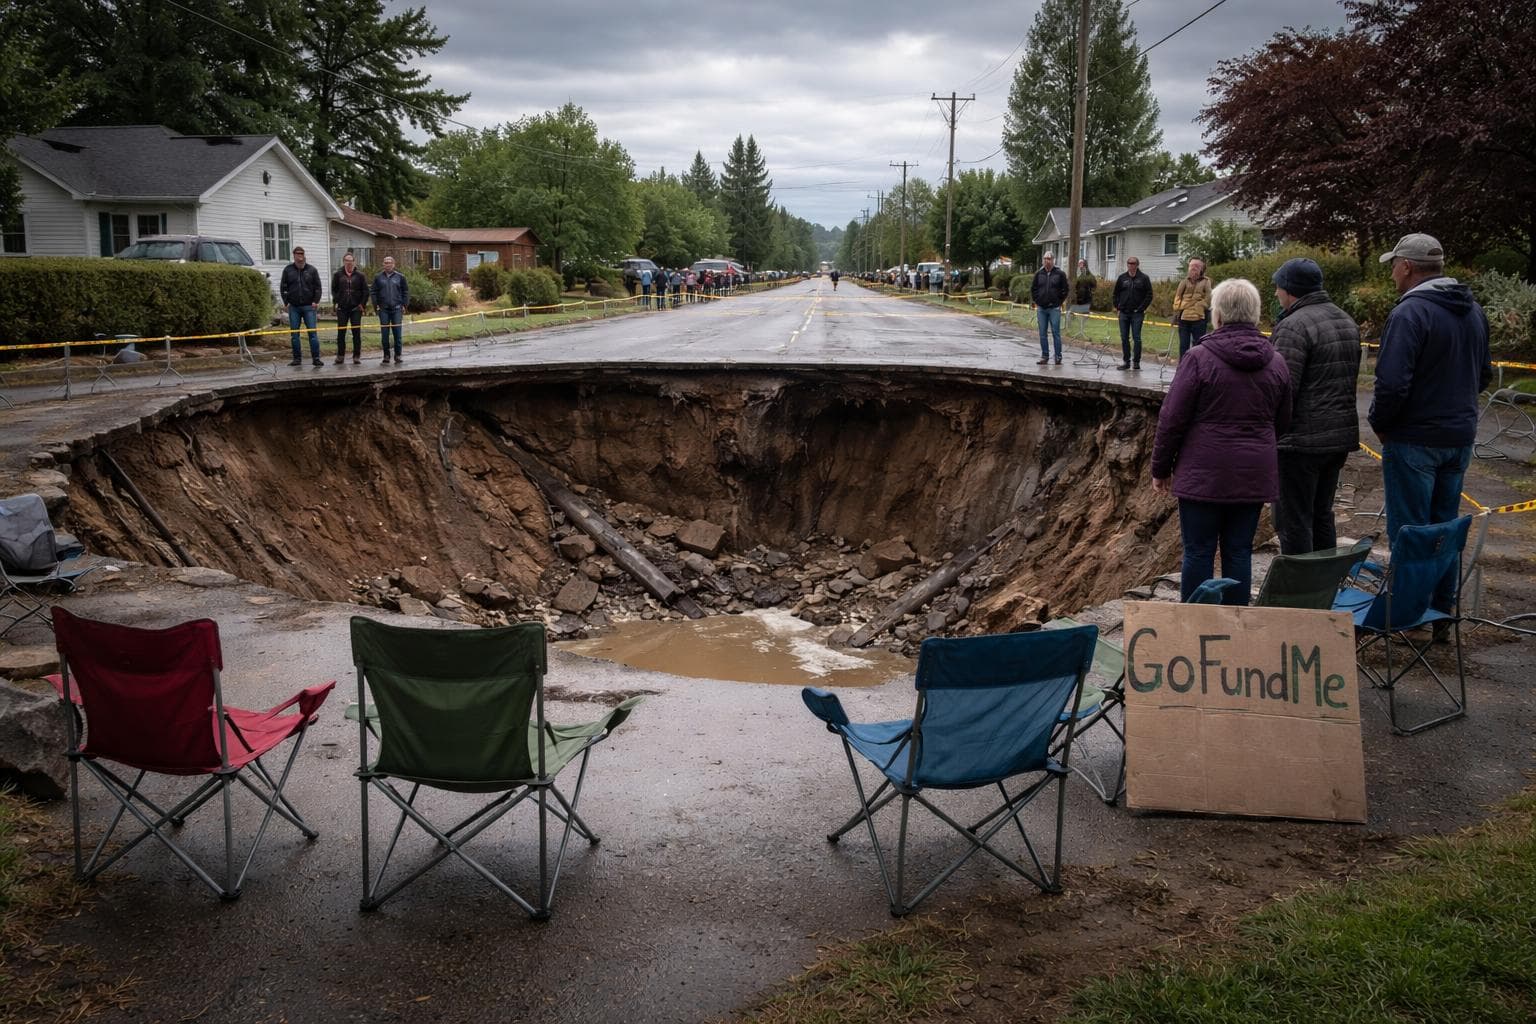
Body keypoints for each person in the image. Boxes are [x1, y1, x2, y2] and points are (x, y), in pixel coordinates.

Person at [1369, 233, 1493, 619]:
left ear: (1407, 266)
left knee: (1410, 531)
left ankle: (1407, 613)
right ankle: (1442, 607)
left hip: (1415, 438)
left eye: (1394, 265)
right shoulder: (1473, 311)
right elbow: (1484, 374)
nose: (1392, 273)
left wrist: (1381, 423)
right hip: (1458, 437)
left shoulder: (1411, 312)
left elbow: (1391, 382)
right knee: (1444, 530)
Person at [1151, 278, 1292, 605]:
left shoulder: (1198, 358)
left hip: (1204, 471)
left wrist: (1161, 467)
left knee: (1198, 551)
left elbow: (1172, 419)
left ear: (1217, 314)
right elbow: (1283, 422)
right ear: (1255, 314)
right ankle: (1235, 628)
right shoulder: (1276, 362)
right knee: (1239, 550)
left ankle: (1196, 623)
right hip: (1254, 471)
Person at [1269, 257, 1363, 554]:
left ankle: (1299, 593)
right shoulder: (1345, 320)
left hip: (1300, 443)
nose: (1275, 294)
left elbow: (1282, 390)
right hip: (1338, 437)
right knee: (1322, 514)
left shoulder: (1293, 326)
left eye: (1278, 288)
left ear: (1291, 290)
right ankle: (1325, 585)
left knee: (1293, 519)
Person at [280, 246, 323, 368]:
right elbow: (283, 287)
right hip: (294, 307)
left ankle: (316, 358)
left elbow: (318, 287)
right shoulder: (288, 270)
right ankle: (297, 358)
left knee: (312, 334)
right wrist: (286, 302)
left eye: (302, 254)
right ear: (293, 255)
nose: (300, 257)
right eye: (298, 254)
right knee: (294, 334)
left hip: (309, 306)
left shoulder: (312, 270)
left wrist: (316, 301)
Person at [1112, 256, 1153, 370]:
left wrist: (1141, 308)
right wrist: (1117, 307)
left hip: (1137, 313)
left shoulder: (1144, 278)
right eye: (1129, 263)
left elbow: (1149, 295)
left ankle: (1136, 362)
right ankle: (1126, 361)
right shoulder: (1122, 278)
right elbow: (1115, 294)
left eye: (1133, 263)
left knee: (1137, 337)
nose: (1131, 265)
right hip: (1124, 312)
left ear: (1137, 265)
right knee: (1124, 337)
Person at [1030, 252, 1069, 365]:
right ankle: (1044, 356)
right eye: (1045, 259)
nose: (1047, 261)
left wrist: (1059, 301)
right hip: (1041, 308)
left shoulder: (1060, 274)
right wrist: (1037, 300)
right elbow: (1034, 289)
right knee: (1042, 333)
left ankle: (1058, 356)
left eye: (1049, 259)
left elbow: (1065, 289)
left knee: (1056, 332)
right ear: (1043, 260)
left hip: (1054, 308)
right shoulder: (1039, 274)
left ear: (1053, 260)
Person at [331, 251, 369, 366]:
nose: (349, 263)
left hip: (355, 309)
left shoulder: (360, 275)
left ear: (354, 262)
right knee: (341, 333)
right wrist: (337, 301)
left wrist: (362, 304)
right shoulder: (338, 275)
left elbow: (365, 291)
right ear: (343, 262)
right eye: (346, 261)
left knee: (356, 333)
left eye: (350, 261)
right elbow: (334, 290)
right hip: (342, 308)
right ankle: (340, 356)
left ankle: (356, 356)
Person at [371, 255, 409, 365]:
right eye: (386, 262)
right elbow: (373, 292)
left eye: (390, 262)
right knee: (385, 334)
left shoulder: (400, 277)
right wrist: (376, 305)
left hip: (397, 309)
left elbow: (405, 291)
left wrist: (404, 305)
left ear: (394, 264)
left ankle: (398, 355)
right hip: (383, 310)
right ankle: (386, 355)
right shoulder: (378, 277)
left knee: (397, 334)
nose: (388, 264)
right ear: (383, 264)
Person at [1171, 258, 1212, 358]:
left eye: (1197, 266)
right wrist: (1178, 308)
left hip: (1199, 317)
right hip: (1184, 317)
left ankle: (1197, 367)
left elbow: (1209, 297)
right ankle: (1183, 367)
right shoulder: (1184, 282)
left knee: (1198, 345)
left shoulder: (1206, 281)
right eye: (1191, 266)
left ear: (1201, 269)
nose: (1193, 268)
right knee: (1183, 345)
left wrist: (1200, 305)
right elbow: (1177, 297)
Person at [1069, 257, 1095, 339]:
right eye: (1078, 263)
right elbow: (1075, 285)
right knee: (1072, 313)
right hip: (1078, 299)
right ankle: (1078, 331)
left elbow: (1094, 284)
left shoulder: (1089, 275)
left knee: (1084, 315)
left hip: (1086, 298)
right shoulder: (1078, 275)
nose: (1079, 265)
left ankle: (1082, 332)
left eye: (1081, 263)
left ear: (1085, 265)